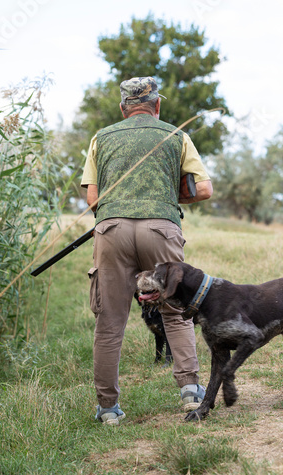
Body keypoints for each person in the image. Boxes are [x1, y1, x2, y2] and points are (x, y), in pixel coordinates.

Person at [81, 77, 213, 425]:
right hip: (161, 228)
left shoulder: (102, 137)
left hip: (111, 230)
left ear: (122, 108)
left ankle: (108, 408)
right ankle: (189, 390)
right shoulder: (177, 135)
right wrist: (170, 199)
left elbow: (93, 198)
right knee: (174, 310)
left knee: (110, 322)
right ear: (157, 105)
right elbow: (204, 189)